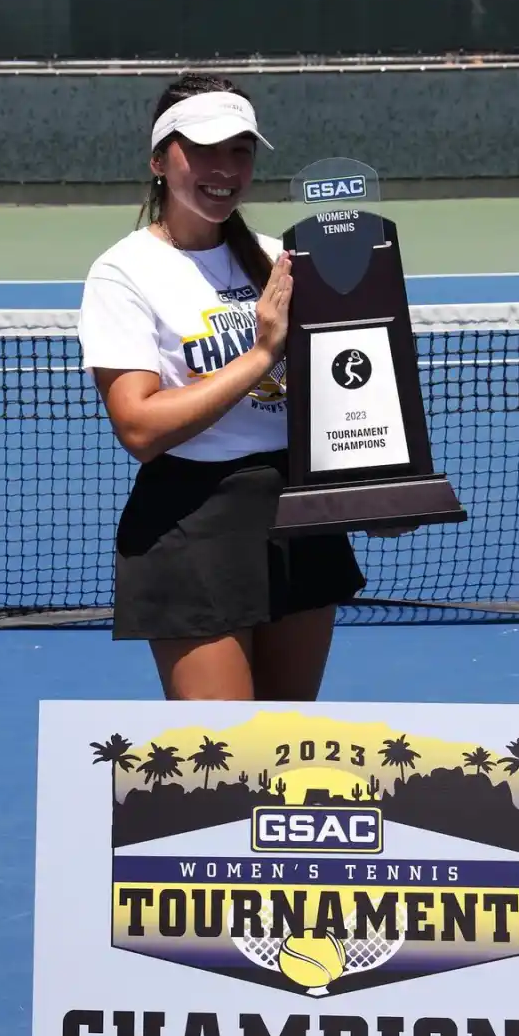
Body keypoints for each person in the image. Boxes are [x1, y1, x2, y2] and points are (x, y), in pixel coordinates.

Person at [78, 73, 365, 703]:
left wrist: (373, 489)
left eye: (240, 151)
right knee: (225, 752)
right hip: (194, 521)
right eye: (203, 150)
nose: (225, 169)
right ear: (159, 161)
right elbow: (140, 428)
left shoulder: (279, 260)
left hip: (298, 515)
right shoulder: (124, 273)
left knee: (287, 740)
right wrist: (261, 354)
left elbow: (336, 393)